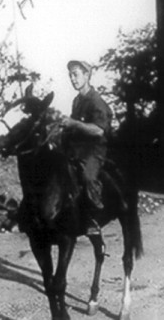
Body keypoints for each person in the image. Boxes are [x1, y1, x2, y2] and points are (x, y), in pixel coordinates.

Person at [60, 60, 119, 236]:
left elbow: (98, 130)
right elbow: (74, 126)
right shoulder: (77, 101)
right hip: (77, 149)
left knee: (87, 176)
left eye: (76, 74)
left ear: (87, 75)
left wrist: (74, 123)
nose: (72, 78)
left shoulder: (96, 101)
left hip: (93, 151)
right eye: (70, 75)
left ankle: (95, 218)